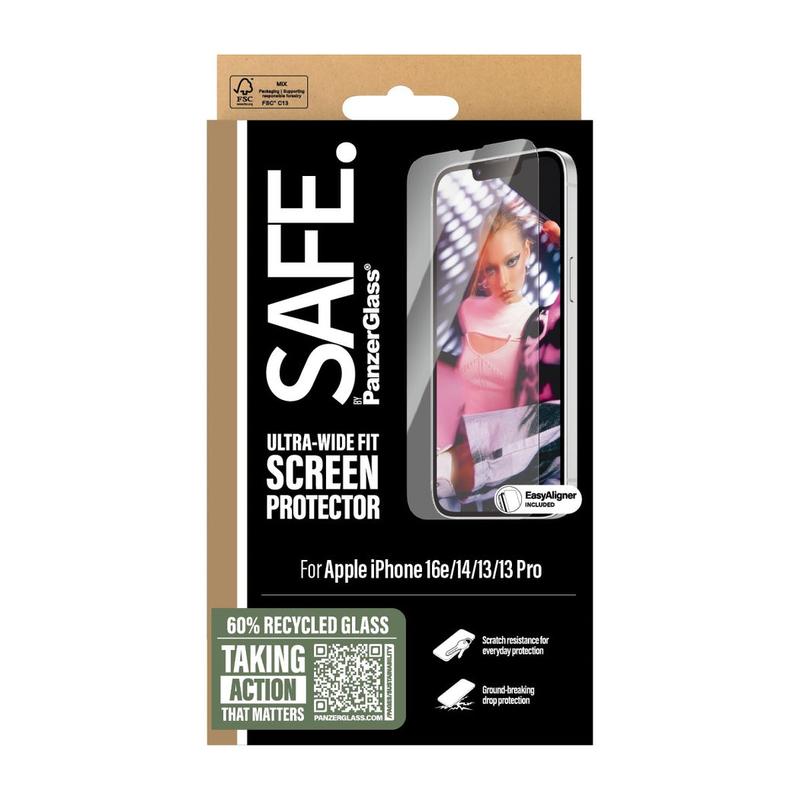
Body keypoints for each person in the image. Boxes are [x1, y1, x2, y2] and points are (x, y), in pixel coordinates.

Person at [435, 203, 559, 508]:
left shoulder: (540, 324)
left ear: (527, 252)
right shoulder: (468, 311)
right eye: (491, 268)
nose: (503, 280)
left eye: (511, 261)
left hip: (492, 472)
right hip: (453, 457)